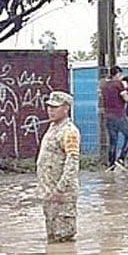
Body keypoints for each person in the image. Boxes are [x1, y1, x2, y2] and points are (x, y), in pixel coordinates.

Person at [36, 91, 81, 242]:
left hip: (62, 194)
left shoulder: (69, 131)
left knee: (63, 238)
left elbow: (72, 163)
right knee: (52, 237)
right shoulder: (53, 127)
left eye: (55, 107)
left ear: (66, 108)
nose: (50, 110)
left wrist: (60, 189)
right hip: (49, 192)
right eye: (49, 107)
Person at [102, 65, 128, 171]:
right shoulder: (118, 84)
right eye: (121, 74)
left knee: (113, 141)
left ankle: (111, 164)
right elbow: (126, 98)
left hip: (108, 116)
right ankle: (121, 158)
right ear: (118, 74)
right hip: (119, 115)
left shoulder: (105, 85)